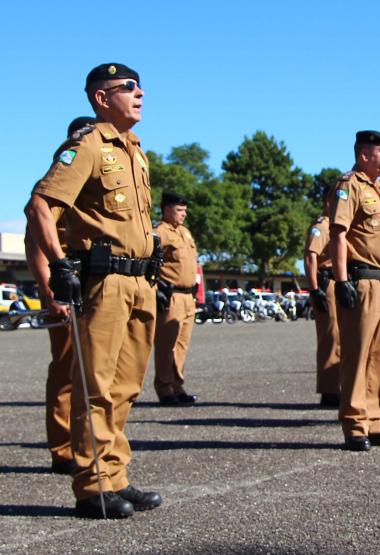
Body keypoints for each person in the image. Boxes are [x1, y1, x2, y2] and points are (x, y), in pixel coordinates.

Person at [24, 63, 162, 518]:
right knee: (97, 385)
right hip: (105, 282)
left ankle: (116, 475)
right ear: (102, 99)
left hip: (140, 280)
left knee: (127, 386)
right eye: (128, 88)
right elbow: (41, 204)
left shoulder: (136, 151)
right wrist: (59, 267)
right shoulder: (85, 146)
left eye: (140, 87)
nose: (139, 93)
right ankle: (92, 486)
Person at [21, 117, 96, 475]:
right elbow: (36, 244)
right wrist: (51, 294)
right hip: (64, 289)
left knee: (95, 372)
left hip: (93, 287)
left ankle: (89, 445)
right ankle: (63, 448)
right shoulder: (55, 184)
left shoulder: (88, 190)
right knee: (66, 370)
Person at [328, 130, 380, 451]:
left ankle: (375, 420)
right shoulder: (349, 186)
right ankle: (355, 424)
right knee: (358, 355)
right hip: (363, 281)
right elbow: (338, 234)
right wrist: (342, 280)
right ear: (363, 155)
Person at [154, 192, 200, 406]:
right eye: (179, 210)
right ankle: (164, 389)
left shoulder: (185, 233)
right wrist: (155, 287)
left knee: (182, 345)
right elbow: (149, 260)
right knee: (166, 345)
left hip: (189, 296)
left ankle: (177, 385)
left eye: (185, 210)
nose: (184, 214)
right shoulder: (159, 232)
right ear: (167, 209)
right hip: (171, 295)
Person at [304, 187, 341, 408]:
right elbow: (311, 257)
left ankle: (338, 385)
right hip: (326, 283)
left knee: (342, 337)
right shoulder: (322, 226)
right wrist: (314, 288)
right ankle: (329, 390)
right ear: (328, 200)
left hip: (339, 283)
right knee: (331, 337)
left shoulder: (337, 225)